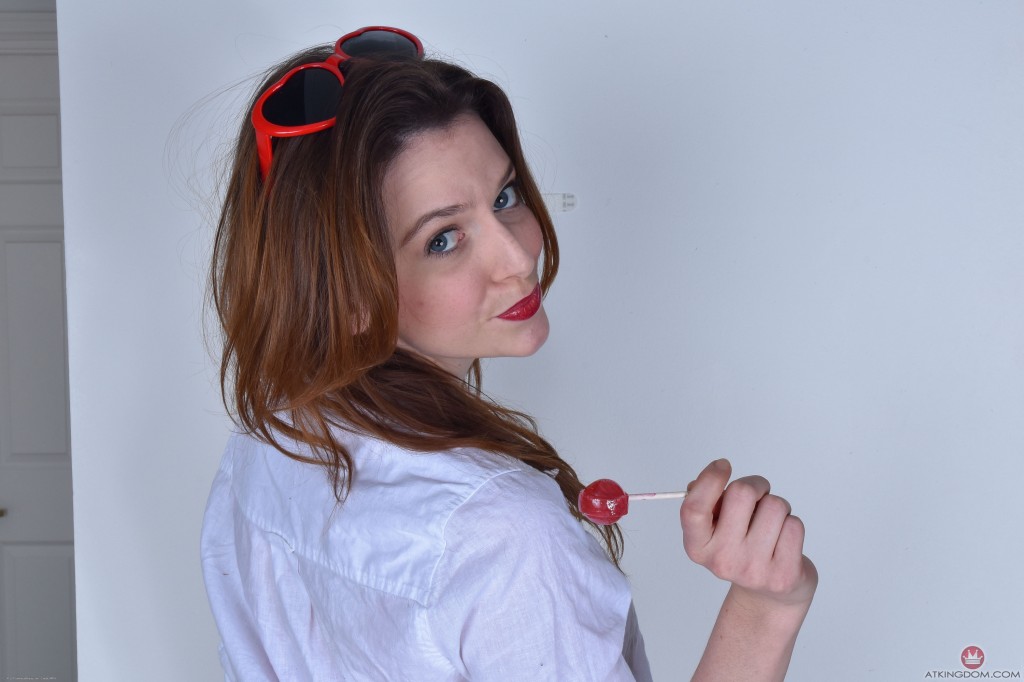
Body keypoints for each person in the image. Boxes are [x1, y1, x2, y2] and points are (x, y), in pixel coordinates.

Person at [200, 26, 817, 681]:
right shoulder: (505, 537)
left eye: (504, 197)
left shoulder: (268, 439)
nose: (519, 257)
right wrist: (767, 607)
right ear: (347, 296)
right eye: (444, 239)